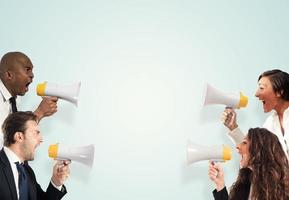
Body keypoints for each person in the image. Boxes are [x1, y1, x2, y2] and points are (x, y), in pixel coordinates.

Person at [0, 111, 70, 200]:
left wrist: (56, 182)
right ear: (19, 137)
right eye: (36, 133)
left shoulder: (27, 172)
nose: (41, 139)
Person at [208, 127, 289, 200]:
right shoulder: (247, 183)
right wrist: (220, 183)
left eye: (244, 143)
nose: (237, 146)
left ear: (259, 150)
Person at [223, 69, 289, 155]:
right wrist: (233, 127)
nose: (256, 94)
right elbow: (254, 153)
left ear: (279, 92)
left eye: (261, 88)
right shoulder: (270, 123)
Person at [0, 51, 58, 147]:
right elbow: (7, 143)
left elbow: (16, 140)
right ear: (9, 75)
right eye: (27, 70)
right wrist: (39, 113)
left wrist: (40, 114)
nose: (32, 75)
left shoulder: (13, 101)